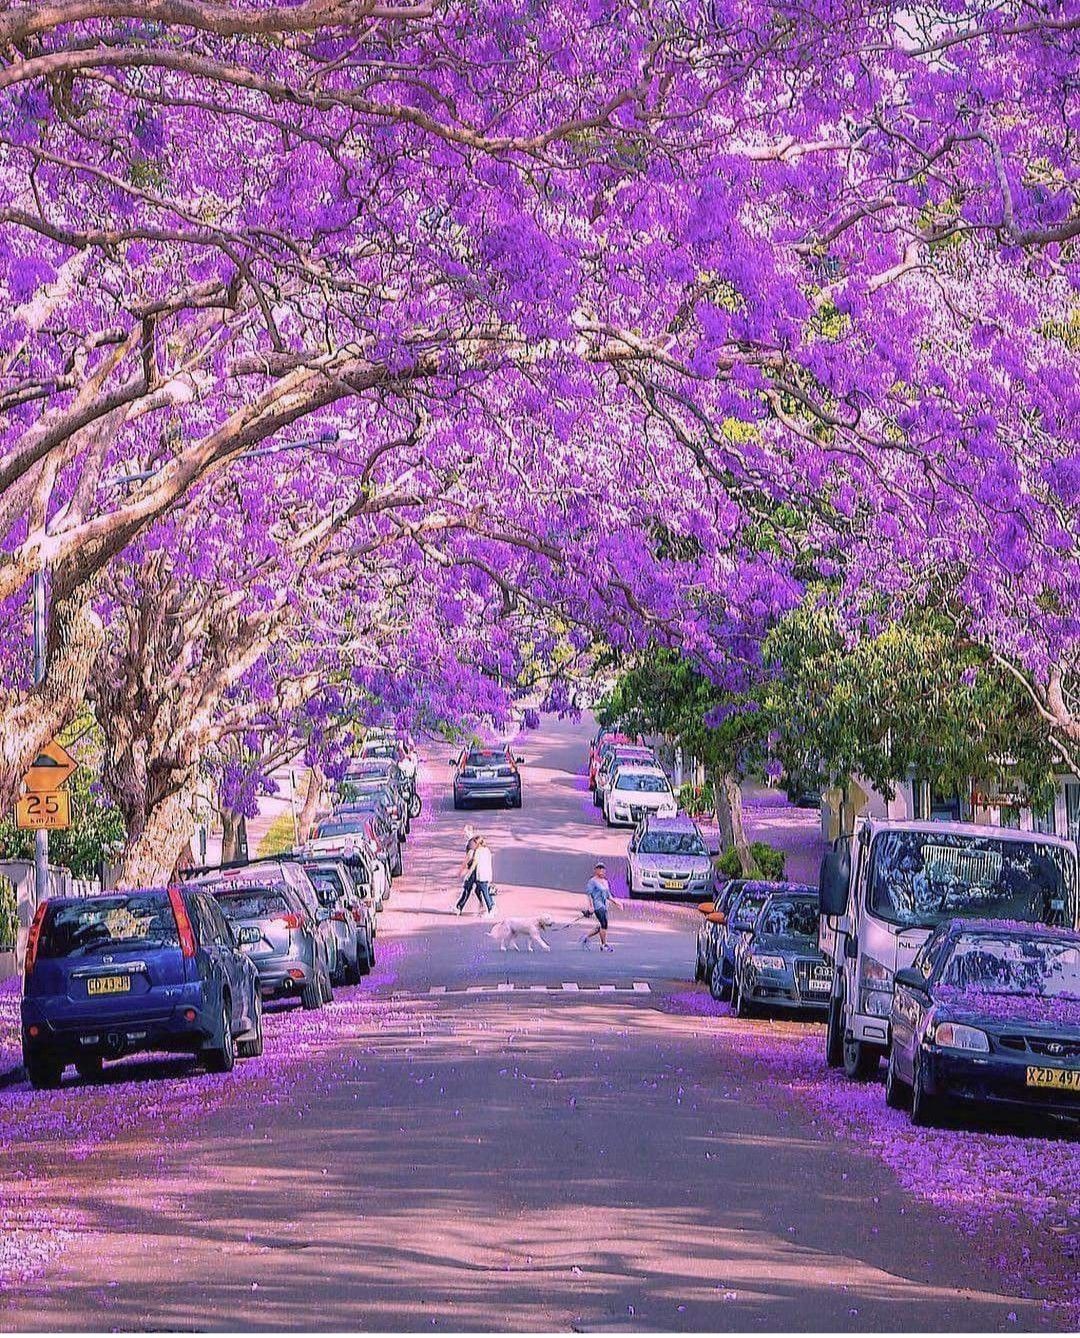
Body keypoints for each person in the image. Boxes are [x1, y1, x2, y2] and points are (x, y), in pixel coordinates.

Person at [582, 861, 616, 951]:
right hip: (597, 905)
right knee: (604, 924)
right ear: (596, 870)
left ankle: (585, 937)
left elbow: (608, 895)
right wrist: (591, 906)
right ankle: (604, 945)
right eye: (599, 869)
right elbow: (589, 894)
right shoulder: (592, 881)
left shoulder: (605, 882)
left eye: (603, 869)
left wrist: (616, 903)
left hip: (604, 906)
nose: (601, 871)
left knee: (600, 926)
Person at [455, 825, 480, 914]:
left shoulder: (471, 843)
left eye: (465, 832)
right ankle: (487, 905)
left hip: (473, 869)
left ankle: (459, 907)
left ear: (470, 831)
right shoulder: (473, 841)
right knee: (479, 889)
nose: (464, 834)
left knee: (467, 888)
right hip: (476, 868)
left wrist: (462, 869)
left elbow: (469, 856)